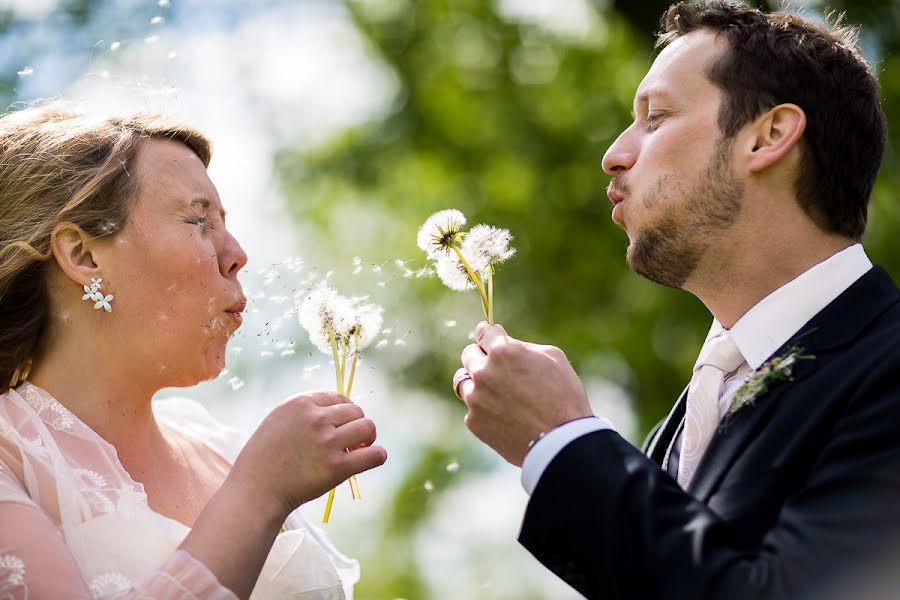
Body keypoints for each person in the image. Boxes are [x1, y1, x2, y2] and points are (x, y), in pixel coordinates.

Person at [453, 2, 900, 598]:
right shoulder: (682, 420)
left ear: (767, 136)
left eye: (656, 116)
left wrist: (561, 438)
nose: (613, 154)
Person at [0, 103, 387, 599]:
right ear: (83, 255)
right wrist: (257, 496)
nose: (238, 254)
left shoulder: (221, 448)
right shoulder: (10, 461)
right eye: (198, 220)